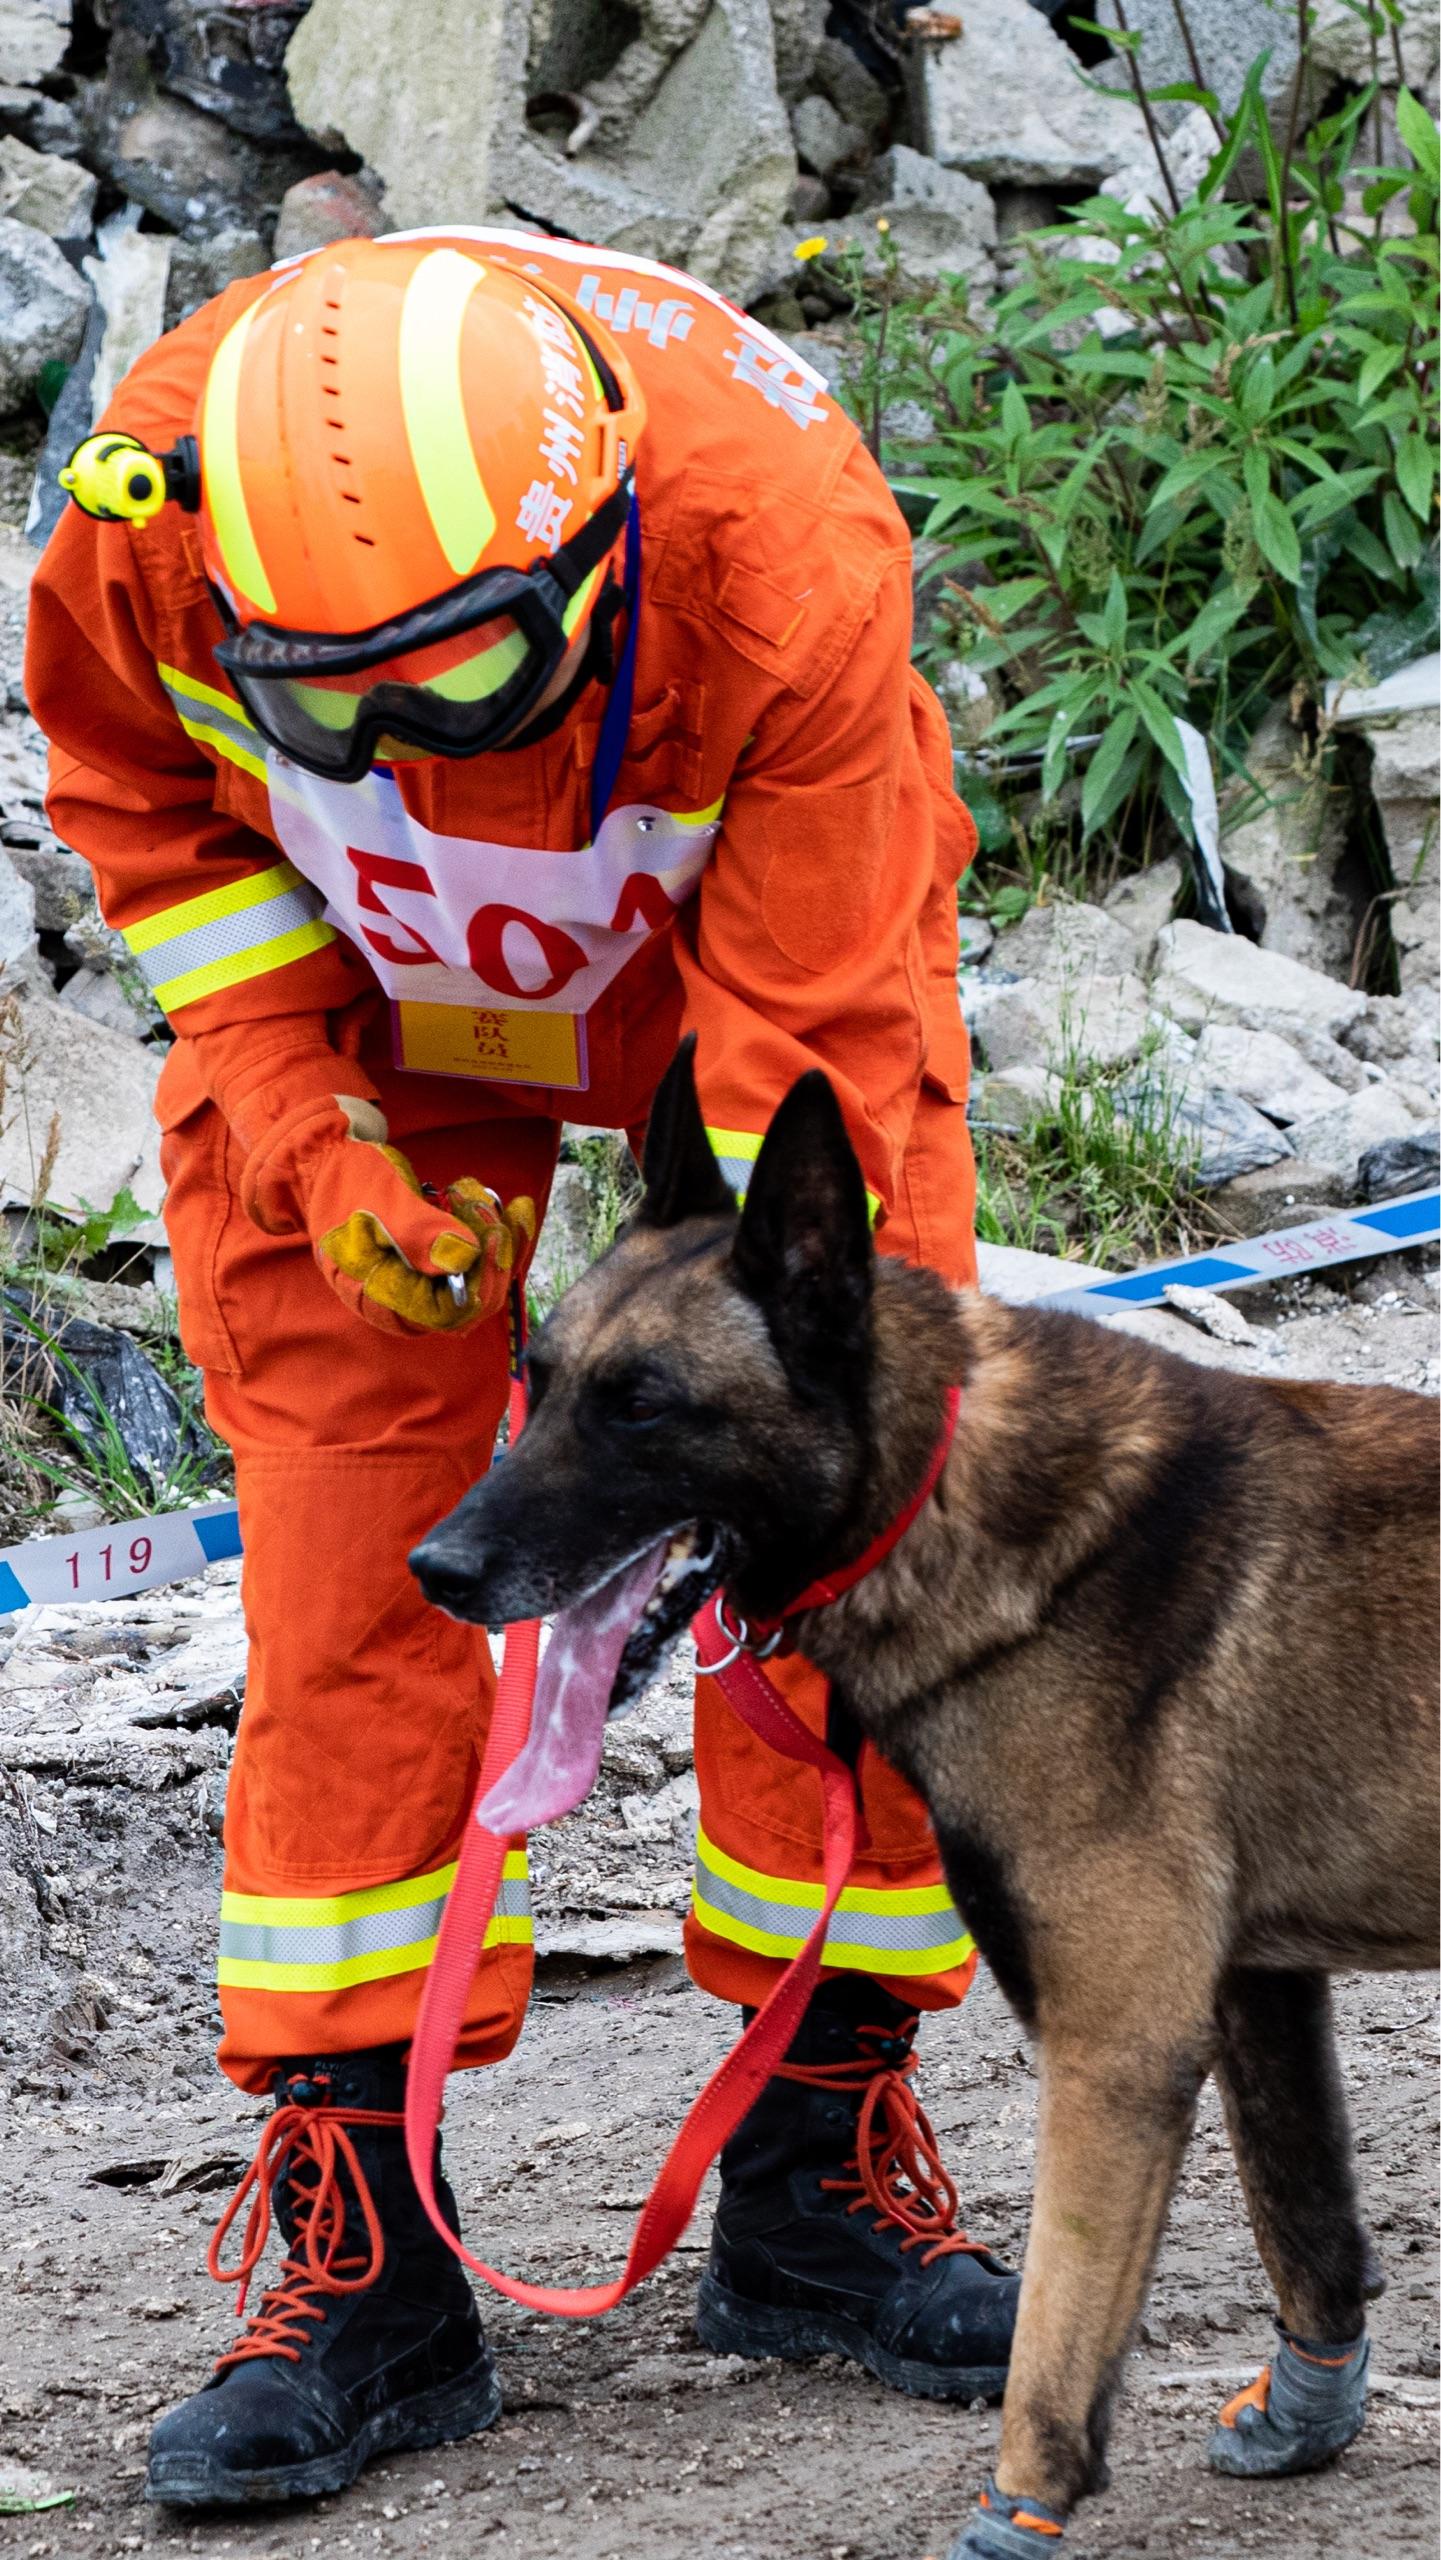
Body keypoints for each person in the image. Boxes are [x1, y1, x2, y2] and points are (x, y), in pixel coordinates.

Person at [27, 230, 1019, 2511]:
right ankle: (361, 2259)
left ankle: (816, 2155)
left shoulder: (779, 552)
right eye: (333, 704)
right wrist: (300, 1125)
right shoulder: (142, 528)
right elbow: (162, 836)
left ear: (592, 554)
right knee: (354, 1554)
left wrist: (734, 1372)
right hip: (364, 1024)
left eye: (459, 677)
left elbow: (812, 1068)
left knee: (851, 1499)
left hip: (736, 985)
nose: (400, 757)